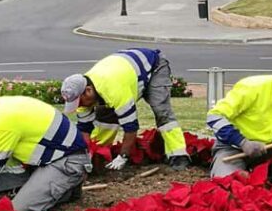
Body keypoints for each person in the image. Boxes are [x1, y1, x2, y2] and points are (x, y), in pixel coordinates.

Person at [0, 84, 91, 211]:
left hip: (68, 161)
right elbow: (1, 163)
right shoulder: (3, 104)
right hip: (60, 156)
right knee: (14, 195)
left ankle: (66, 188)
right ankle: (65, 187)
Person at [61, 48, 189, 171]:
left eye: (79, 102)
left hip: (153, 66)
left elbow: (131, 127)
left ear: (88, 91)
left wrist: (123, 156)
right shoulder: (84, 92)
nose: (79, 106)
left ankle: (178, 155)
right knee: (105, 117)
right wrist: (85, 157)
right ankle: (99, 156)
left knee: (161, 111)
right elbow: (84, 129)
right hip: (124, 70)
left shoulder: (115, 91)